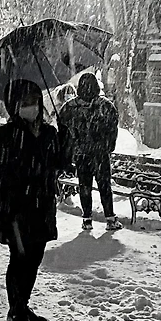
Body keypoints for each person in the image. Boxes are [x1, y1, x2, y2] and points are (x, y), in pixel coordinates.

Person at [0, 79, 63, 321]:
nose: (32, 107)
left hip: (42, 207)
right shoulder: (5, 136)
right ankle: (17, 312)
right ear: (15, 106)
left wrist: (66, 140)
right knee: (19, 259)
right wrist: (1, 210)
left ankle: (21, 306)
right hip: (17, 210)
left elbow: (61, 165)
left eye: (35, 102)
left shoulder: (49, 134)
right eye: (26, 103)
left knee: (34, 260)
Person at [59, 73, 121, 232]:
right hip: (100, 154)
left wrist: (71, 147)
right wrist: (107, 147)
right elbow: (112, 129)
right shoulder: (105, 106)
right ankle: (110, 218)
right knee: (104, 186)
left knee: (84, 186)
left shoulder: (69, 107)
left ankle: (87, 218)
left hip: (81, 154)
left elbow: (63, 131)